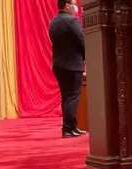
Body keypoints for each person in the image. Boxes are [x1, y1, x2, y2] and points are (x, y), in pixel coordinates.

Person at [49, 0, 86, 138]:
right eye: (74, 3)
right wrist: (87, 57)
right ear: (66, 5)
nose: (76, 7)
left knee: (66, 97)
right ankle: (69, 129)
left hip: (59, 65)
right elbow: (82, 40)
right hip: (73, 65)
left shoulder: (53, 22)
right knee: (73, 97)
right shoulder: (72, 21)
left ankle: (70, 127)